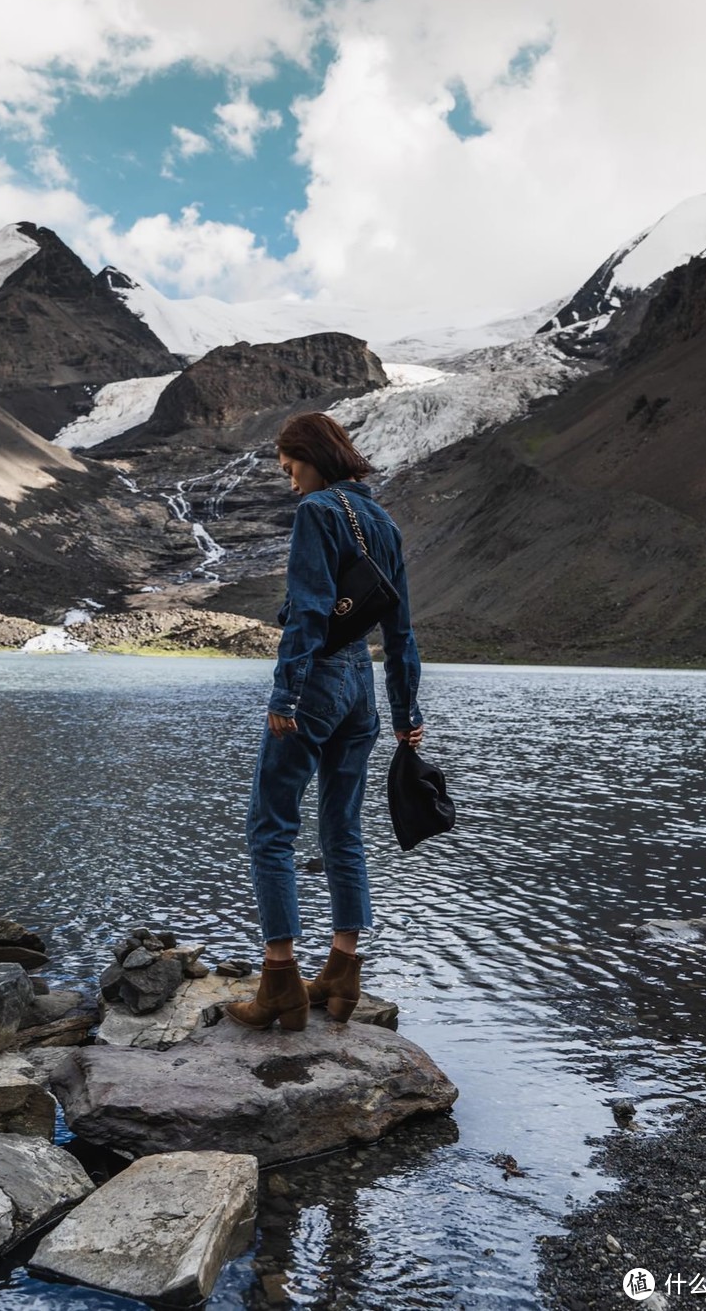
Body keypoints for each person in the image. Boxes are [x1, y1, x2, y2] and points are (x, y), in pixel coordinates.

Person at [225, 411, 424, 1034]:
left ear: (314, 456)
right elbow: (400, 630)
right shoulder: (384, 522)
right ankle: (341, 972)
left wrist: (285, 694)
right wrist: (406, 713)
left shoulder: (318, 513)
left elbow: (309, 613)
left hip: (316, 683)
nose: (290, 485)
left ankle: (279, 980)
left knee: (271, 827)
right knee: (342, 828)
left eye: (292, 469)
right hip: (361, 690)